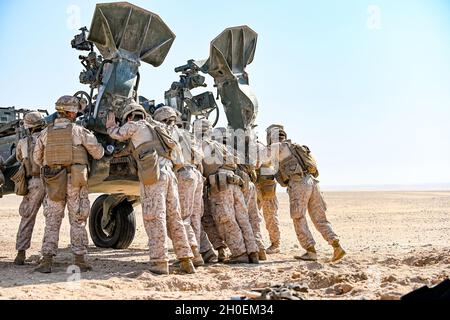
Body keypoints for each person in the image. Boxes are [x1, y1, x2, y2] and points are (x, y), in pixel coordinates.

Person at [106, 101, 195, 275]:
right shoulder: (156, 126)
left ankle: (159, 262)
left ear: (130, 116)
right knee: (174, 217)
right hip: (169, 174)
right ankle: (186, 260)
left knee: (155, 217)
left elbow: (116, 134)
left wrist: (110, 125)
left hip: (153, 176)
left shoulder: (134, 125)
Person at [33, 96, 105, 273]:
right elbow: (98, 153)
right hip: (75, 179)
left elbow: (37, 158)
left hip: (54, 180)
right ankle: (79, 259)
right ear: (70, 112)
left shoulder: (45, 133)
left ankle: (46, 260)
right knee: (78, 219)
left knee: (52, 220)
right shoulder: (79, 131)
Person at [267, 124, 346, 262]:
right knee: (320, 218)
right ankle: (336, 246)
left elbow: (259, 159)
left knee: (298, 217)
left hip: (298, 184)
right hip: (313, 182)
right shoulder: (294, 146)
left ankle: (310, 251)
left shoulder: (277, 148)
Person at [194, 119, 258, 264]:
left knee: (226, 220)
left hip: (220, 186)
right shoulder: (221, 146)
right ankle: (252, 251)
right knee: (242, 219)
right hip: (235, 183)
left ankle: (239, 253)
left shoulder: (200, 145)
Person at [153, 106, 205, 267]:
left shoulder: (166, 131)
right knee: (193, 217)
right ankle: (197, 255)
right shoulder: (186, 133)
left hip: (182, 174)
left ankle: (193, 253)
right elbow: (200, 155)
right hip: (196, 174)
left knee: (181, 218)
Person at [14, 112, 46, 265]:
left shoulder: (23, 142)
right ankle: (47, 255)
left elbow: (19, 158)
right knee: (52, 219)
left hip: (33, 183)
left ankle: (21, 253)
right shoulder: (48, 137)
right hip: (52, 181)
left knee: (27, 217)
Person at [256, 135, 281, 254]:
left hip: (266, 185)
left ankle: (275, 244)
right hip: (257, 186)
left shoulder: (260, 148)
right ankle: (257, 244)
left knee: (270, 216)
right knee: (253, 217)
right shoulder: (255, 147)